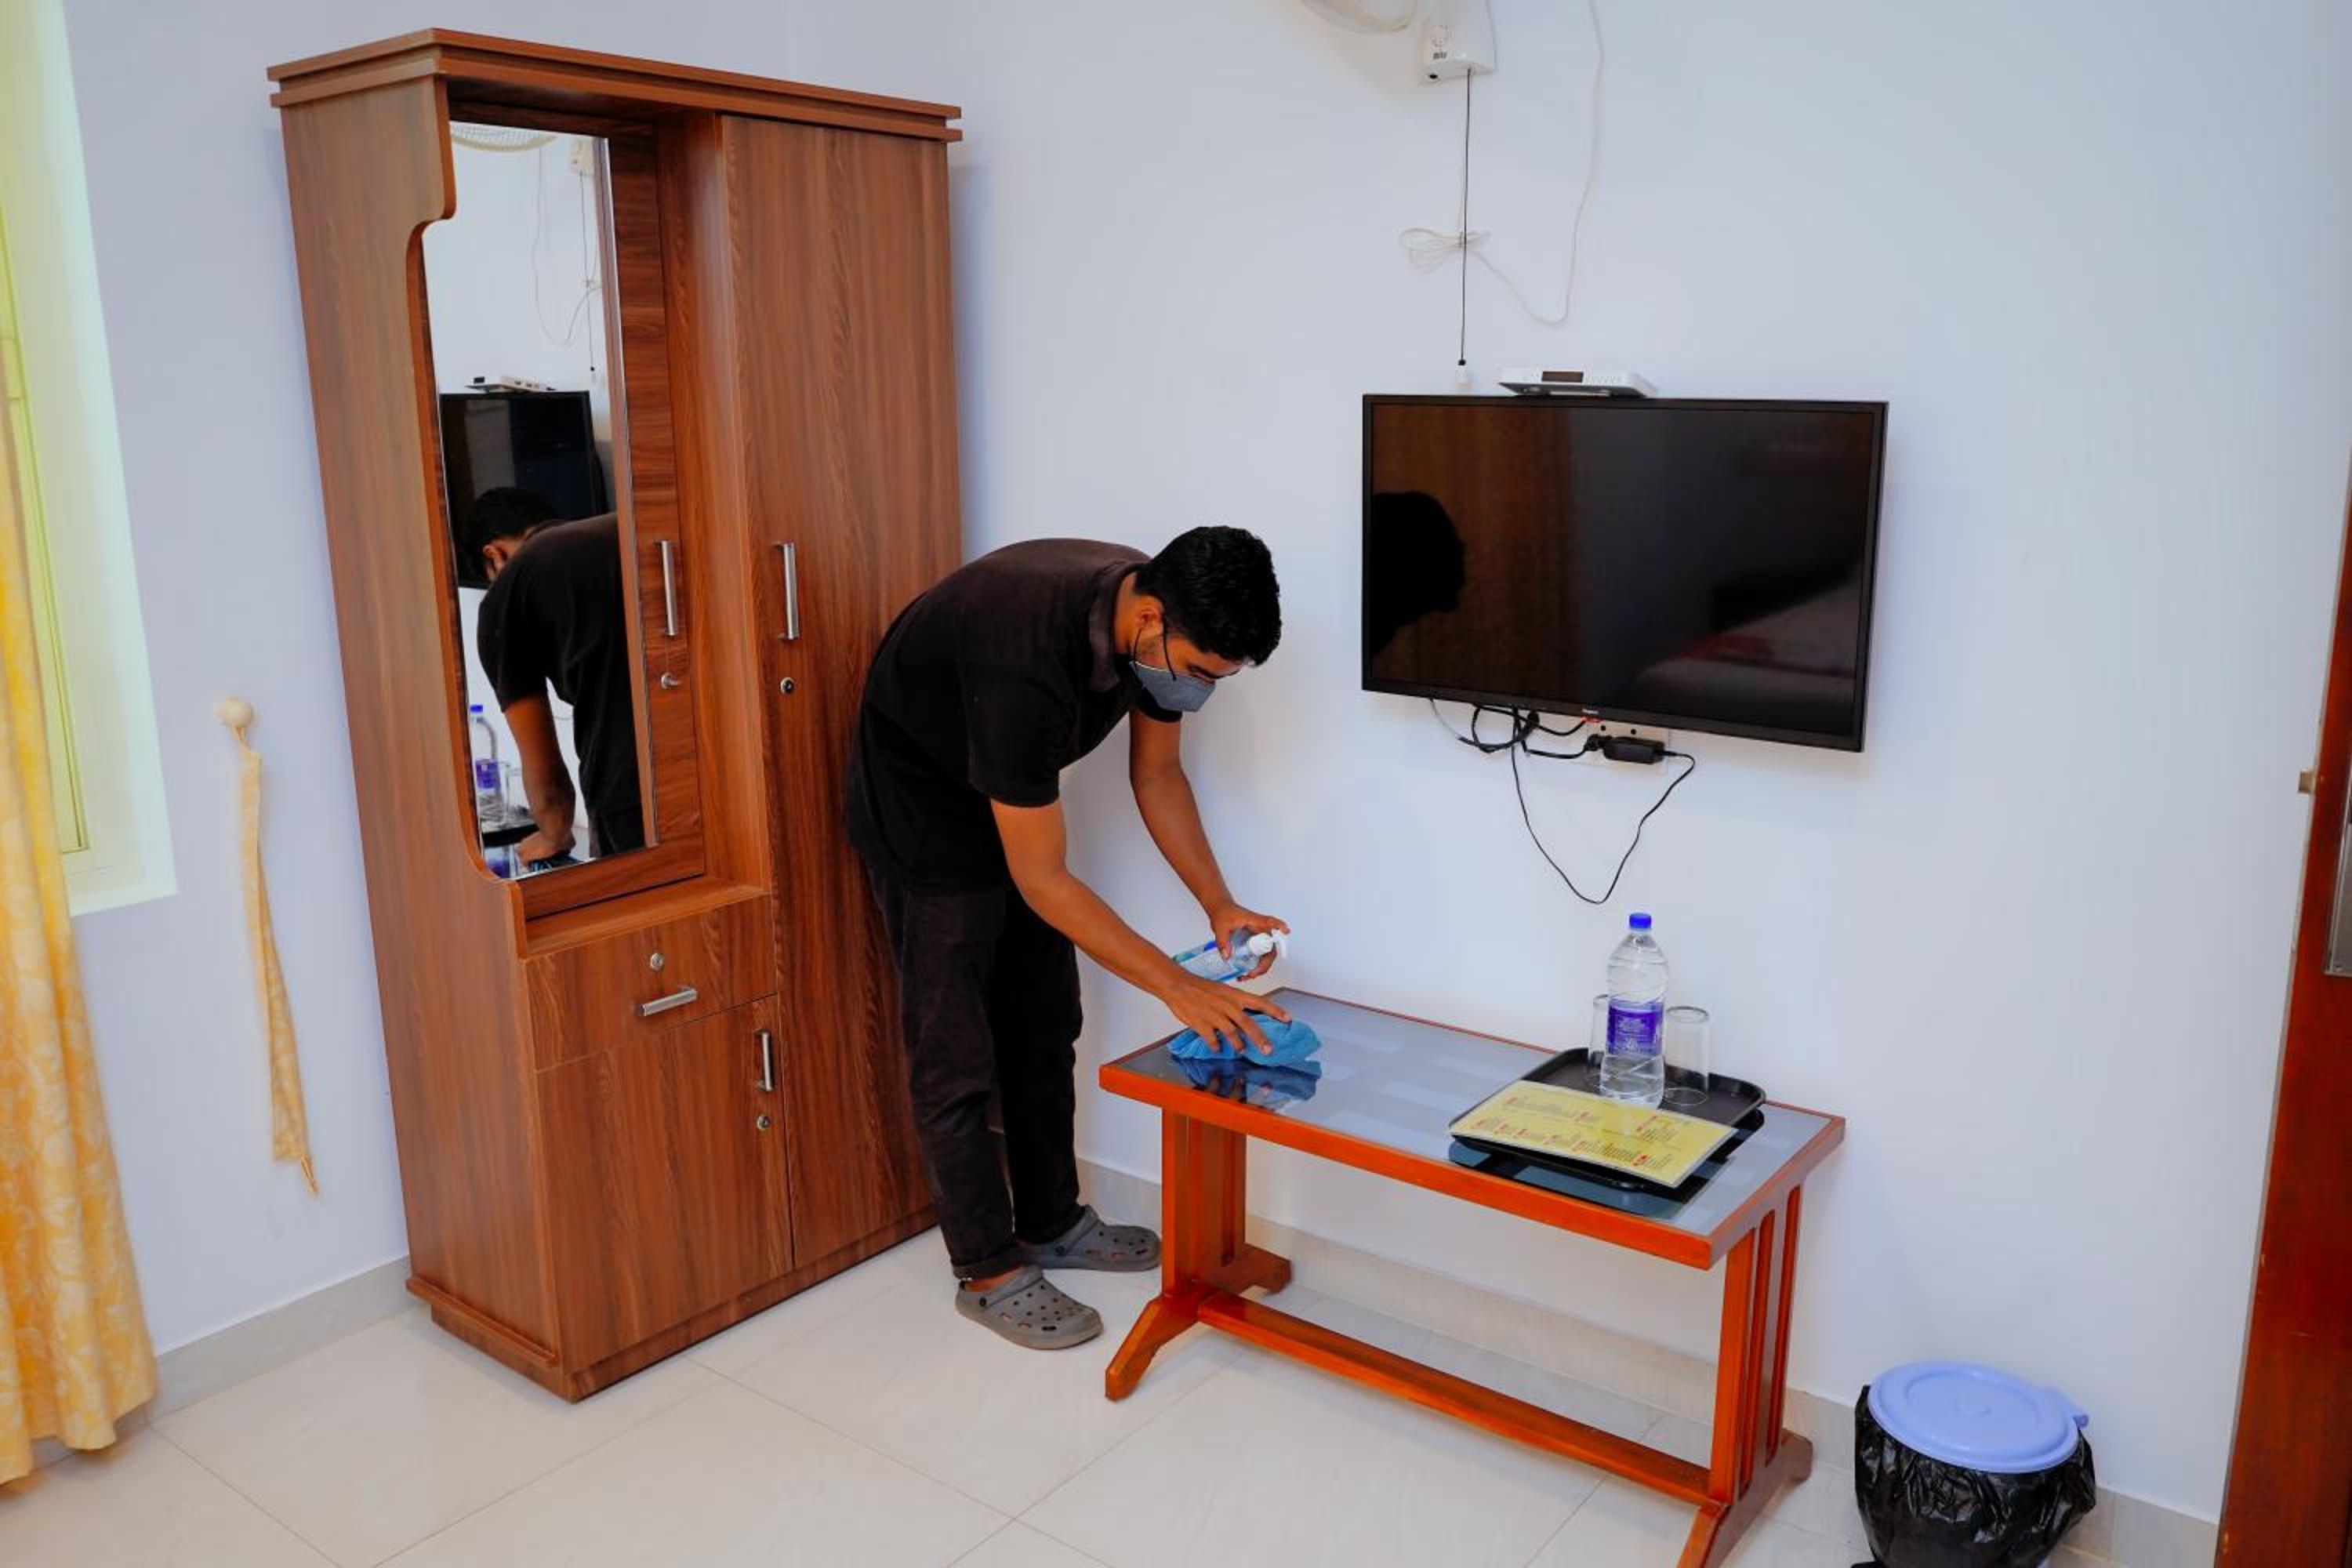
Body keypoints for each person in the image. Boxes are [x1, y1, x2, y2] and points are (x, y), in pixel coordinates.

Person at [848, 528, 1288, 1349]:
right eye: (1200, 673)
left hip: (1014, 803)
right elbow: (1044, 880)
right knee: (955, 1052)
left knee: (1046, 1020)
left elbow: (1157, 773)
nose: (1198, 692)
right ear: (1151, 619)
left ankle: (1051, 1222)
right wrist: (1176, 986)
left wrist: (1219, 903)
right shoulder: (1021, 655)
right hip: (925, 814)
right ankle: (987, 1270)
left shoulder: (1154, 624)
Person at [458, 488, 644, 866]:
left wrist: (553, 833)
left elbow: (545, 771)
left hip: (629, 790)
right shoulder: (628, 528)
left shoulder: (505, 596)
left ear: (494, 555)